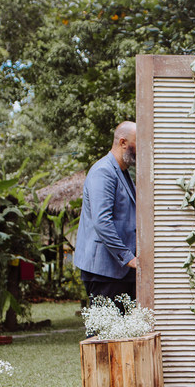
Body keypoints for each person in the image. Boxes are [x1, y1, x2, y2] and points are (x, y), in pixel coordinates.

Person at [74, 121, 139, 305]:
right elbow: (102, 222)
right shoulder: (103, 171)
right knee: (105, 324)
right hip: (104, 272)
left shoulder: (123, 172)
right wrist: (128, 258)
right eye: (138, 143)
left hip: (121, 272)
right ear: (123, 142)